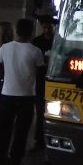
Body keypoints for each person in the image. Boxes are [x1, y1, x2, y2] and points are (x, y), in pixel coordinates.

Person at [0, 18, 45, 165]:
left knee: (3, 130)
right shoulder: (36, 51)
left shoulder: (5, 48)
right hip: (27, 97)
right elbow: (41, 74)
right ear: (31, 32)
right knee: (21, 132)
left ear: (17, 31)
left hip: (6, 94)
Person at [31, 18, 55, 150]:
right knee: (40, 110)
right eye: (44, 28)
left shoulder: (57, 41)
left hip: (51, 78)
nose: (46, 30)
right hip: (40, 80)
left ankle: (47, 139)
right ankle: (39, 139)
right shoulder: (36, 42)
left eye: (49, 28)